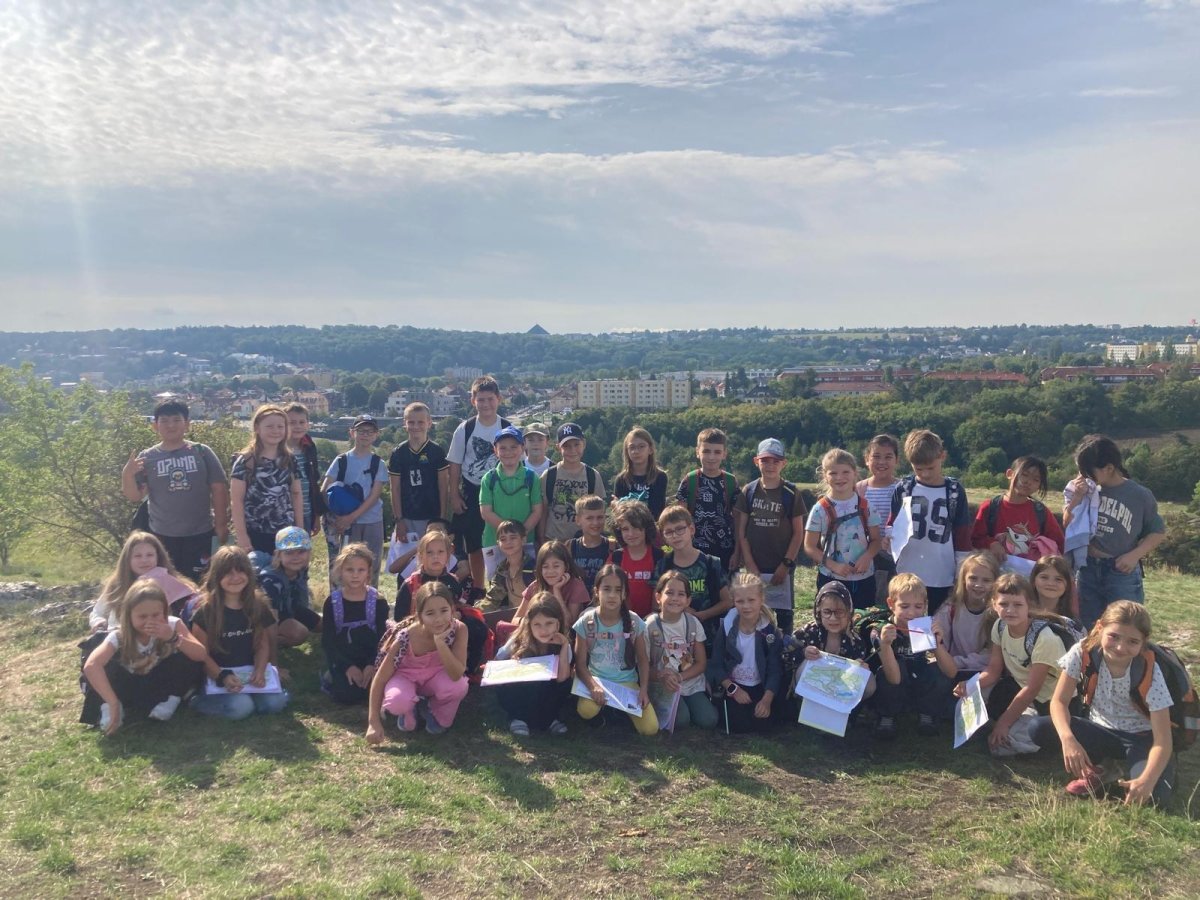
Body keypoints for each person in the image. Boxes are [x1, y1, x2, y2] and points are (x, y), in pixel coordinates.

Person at [1031, 601, 1176, 806]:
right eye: (1114, 636)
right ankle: (1103, 766)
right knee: (1037, 728)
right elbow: (1059, 702)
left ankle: (1140, 768)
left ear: (1143, 642)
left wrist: (1147, 780)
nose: (1120, 647)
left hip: (1140, 738)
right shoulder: (1083, 651)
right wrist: (1068, 739)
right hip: (1099, 730)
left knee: (1154, 798)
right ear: (1100, 628)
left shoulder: (1149, 671)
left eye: (1132, 641)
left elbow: (1163, 740)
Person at [1064, 434, 1166, 629]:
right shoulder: (1086, 491)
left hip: (1120, 571)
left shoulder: (1139, 495)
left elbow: (1157, 531)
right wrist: (1076, 499)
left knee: (1125, 626)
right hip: (1087, 568)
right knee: (1088, 628)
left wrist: (1134, 556)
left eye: (1088, 472)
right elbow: (1068, 524)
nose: (1083, 476)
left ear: (1109, 468)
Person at [80, 579, 208, 734]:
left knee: (187, 655)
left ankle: (171, 699)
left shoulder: (173, 624)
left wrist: (173, 637)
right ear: (129, 616)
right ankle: (109, 706)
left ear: (165, 611)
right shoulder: (119, 635)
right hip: (128, 685)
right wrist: (112, 702)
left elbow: (201, 655)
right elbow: (91, 666)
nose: (150, 621)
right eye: (142, 617)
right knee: (105, 665)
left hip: (158, 683)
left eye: (156, 615)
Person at [121, 399, 229, 580]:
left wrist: (221, 526)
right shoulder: (147, 457)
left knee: (201, 583)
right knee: (165, 584)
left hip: (200, 533)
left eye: (176, 420)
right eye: (164, 421)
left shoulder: (201, 452)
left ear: (187, 424)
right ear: (155, 426)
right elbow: (134, 496)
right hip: (161, 536)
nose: (170, 425)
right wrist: (127, 474)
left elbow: (219, 489)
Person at [963, 573, 1067, 756]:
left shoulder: (1045, 639)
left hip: (1047, 702)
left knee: (1002, 746)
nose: (1010, 610)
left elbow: (1032, 689)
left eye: (1018, 605)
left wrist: (1004, 723)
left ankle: (1034, 735)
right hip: (1018, 689)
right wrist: (969, 685)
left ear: (1029, 606)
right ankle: (1001, 726)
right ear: (994, 604)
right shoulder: (999, 626)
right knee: (969, 697)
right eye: (1004, 604)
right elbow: (993, 670)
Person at [188, 546, 289, 719]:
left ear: (249, 574)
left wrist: (260, 669)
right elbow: (201, 656)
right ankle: (197, 701)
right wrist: (222, 677)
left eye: (241, 571)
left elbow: (262, 644)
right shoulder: (205, 612)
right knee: (241, 707)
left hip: (247, 673)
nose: (235, 577)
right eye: (228, 573)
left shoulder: (258, 605)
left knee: (275, 703)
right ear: (216, 576)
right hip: (217, 674)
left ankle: (253, 697)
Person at [367, 582, 469, 740]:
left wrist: (440, 643)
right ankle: (409, 710)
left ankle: (433, 710)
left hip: (436, 678)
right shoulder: (405, 637)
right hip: (405, 678)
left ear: (452, 609)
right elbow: (380, 679)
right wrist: (373, 722)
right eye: (430, 613)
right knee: (397, 701)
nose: (438, 619)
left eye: (444, 611)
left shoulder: (459, 629)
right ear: (419, 615)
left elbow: (456, 674)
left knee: (459, 686)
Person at [888, 430, 972, 614]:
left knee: (936, 624)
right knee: (908, 619)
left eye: (930, 468)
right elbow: (893, 525)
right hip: (907, 573)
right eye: (919, 469)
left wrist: (961, 573)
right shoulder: (904, 488)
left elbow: (963, 535)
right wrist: (888, 540)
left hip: (942, 575)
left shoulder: (954, 491)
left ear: (942, 456)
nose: (925, 474)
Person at [868, 573, 956, 739]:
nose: (911, 613)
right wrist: (885, 645)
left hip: (917, 681)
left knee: (937, 669)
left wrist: (936, 644)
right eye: (904, 606)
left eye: (918, 606)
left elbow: (951, 672)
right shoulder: (881, 629)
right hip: (892, 683)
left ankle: (927, 712)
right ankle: (886, 715)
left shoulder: (925, 627)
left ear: (925, 605)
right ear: (891, 604)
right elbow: (893, 678)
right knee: (891, 669)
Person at [733, 438, 807, 633]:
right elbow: (742, 531)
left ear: (784, 463)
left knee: (784, 616)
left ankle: (784, 649)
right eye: (765, 460)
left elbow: (798, 533)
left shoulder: (791, 492)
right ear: (756, 461)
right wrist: (749, 564)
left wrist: (786, 564)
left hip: (782, 564)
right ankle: (758, 647)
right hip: (756, 565)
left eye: (776, 461)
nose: (770, 465)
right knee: (755, 612)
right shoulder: (749, 491)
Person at [574, 565, 658, 735]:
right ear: (596, 591)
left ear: (625, 593)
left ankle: (616, 711)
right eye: (606, 589)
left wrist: (643, 690)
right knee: (586, 710)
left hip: (626, 682)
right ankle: (606, 712)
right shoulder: (586, 621)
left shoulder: (634, 622)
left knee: (650, 729)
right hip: (598, 681)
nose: (612, 595)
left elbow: (643, 660)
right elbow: (580, 664)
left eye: (618, 590)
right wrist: (593, 686)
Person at [448, 376, 510, 587]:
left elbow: (518, 462)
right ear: (473, 401)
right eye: (481, 400)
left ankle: (502, 586)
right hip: (472, 490)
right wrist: (454, 495)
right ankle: (478, 588)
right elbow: (455, 464)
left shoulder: (507, 427)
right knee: (474, 543)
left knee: (502, 539)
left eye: (490, 399)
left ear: (498, 399)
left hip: (501, 492)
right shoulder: (465, 428)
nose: (486, 404)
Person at [805, 448, 881, 611]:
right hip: (831, 578)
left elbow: (876, 540)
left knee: (863, 622)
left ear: (855, 473)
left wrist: (867, 556)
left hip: (864, 579)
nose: (839, 477)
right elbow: (809, 546)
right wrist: (833, 565)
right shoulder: (820, 509)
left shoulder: (866, 507)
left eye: (845, 472)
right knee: (832, 621)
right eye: (833, 473)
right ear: (825, 476)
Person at [710, 573, 784, 734]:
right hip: (734, 685)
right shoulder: (727, 626)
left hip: (760, 686)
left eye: (751, 600)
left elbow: (774, 669)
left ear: (761, 599)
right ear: (733, 601)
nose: (746, 606)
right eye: (740, 601)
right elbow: (716, 664)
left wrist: (766, 700)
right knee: (738, 725)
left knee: (764, 723)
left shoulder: (770, 631)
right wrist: (733, 689)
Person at [652, 505, 731, 652]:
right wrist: (682, 608)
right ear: (663, 537)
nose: (675, 535)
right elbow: (656, 603)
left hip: (709, 640)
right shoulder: (663, 566)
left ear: (692, 529)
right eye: (669, 532)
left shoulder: (711, 563)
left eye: (680, 529)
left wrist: (703, 615)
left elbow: (727, 602)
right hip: (673, 641)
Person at [492, 594, 573, 736]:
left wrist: (565, 646)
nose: (543, 630)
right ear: (529, 624)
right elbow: (498, 660)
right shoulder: (518, 640)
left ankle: (549, 718)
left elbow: (562, 678)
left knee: (564, 683)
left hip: (546, 695)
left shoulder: (563, 644)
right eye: (537, 624)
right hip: (521, 693)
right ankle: (518, 718)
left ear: (558, 623)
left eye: (549, 623)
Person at [791, 581, 875, 718]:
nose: (833, 618)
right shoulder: (807, 633)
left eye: (839, 612)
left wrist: (860, 668)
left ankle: (847, 711)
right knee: (806, 663)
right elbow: (786, 654)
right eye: (827, 612)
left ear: (849, 612)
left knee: (869, 680)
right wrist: (803, 653)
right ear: (819, 612)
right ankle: (804, 708)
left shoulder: (855, 641)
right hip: (810, 688)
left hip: (839, 691)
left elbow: (854, 677)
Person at [646, 571, 718, 729]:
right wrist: (661, 676)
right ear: (658, 597)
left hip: (690, 682)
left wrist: (679, 677)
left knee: (709, 720)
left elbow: (701, 664)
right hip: (662, 685)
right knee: (681, 720)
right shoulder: (650, 626)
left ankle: (694, 702)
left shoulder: (693, 623)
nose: (675, 598)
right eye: (669, 593)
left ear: (688, 601)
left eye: (681, 594)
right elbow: (643, 667)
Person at [88, 531, 199, 632]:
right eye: (138, 556)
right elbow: (98, 612)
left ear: (158, 557)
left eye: (150, 555)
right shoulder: (117, 585)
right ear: (127, 559)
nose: (144, 560)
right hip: (116, 639)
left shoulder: (175, 585)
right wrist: (98, 623)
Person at [322, 414, 388, 585]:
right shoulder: (341, 461)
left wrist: (350, 517)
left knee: (371, 567)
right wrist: (338, 518)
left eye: (370, 431)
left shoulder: (378, 463)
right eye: (361, 431)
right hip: (346, 525)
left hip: (371, 521)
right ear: (352, 433)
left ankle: (370, 599)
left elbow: (374, 496)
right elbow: (325, 490)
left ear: (376, 435)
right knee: (347, 567)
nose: (365, 435)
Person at [230, 404, 303, 557]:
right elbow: (236, 501)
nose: (275, 431)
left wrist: (300, 530)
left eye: (280, 426)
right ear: (257, 428)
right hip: (254, 532)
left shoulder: (290, 460)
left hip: (285, 532)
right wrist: (242, 536)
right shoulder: (246, 461)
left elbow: (296, 494)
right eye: (269, 426)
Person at [320, 543, 389, 704]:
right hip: (345, 659)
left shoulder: (378, 601)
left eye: (361, 570)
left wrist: (371, 665)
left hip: (371, 658)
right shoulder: (332, 602)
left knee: (374, 692)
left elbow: (384, 639)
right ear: (340, 571)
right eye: (350, 570)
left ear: (368, 572)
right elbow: (328, 641)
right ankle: (332, 676)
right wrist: (347, 667)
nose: (355, 575)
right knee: (346, 696)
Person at [971, 456, 1064, 563]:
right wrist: (991, 543)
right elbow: (975, 539)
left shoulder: (1041, 512)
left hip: (1030, 572)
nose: (1028, 482)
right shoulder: (990, 507)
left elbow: (1059, 545)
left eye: (1036, 480)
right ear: (1009, 474)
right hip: (996, 570)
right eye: (1024, 475)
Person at [676, 427, 738, 573]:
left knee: (725, 588)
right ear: (697, 452)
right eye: (706, 451)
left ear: (724, 454)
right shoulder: (690, 480)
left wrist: (738, 552)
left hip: (725, 550)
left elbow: (738, 521)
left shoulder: (730, 482)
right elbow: (680, 518)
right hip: (695, 551)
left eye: (717, 452)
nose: (711, 457)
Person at [932, 551, 999, 681]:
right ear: (963, 579)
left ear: (995, 583)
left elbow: (990, 655)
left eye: (986, 580)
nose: (978, 585)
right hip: (950, 671)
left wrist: (959, 662)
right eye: (973, 578)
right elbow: (939, 642)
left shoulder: (997, 614)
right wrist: (949, 661)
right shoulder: (950, 609)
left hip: (983, 674)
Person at [387, 401, 449, 541]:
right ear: (405, 423)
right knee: (408, 555)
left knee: (432, 553)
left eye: (420, 422)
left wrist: (442, 518)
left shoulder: (437, 451)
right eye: (411, 422)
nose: (415, 426)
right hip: (407, 517)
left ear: (429, 423)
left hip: (432, 517)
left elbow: (443, 487)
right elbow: (395, 488)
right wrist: (399, 519)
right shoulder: (398, 453)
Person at [257, 526, 321, 654]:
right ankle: (257, 645)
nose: (296, 557)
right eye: (289, 552)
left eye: (301, 551)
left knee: (322, 625)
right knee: (299, 633)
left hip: (288, 607)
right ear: (278, 555)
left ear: (309, 553)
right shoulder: (272, 581)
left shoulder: (301, 569)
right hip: (265, 618)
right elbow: (270, 619)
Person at [540, 422, 605, 544]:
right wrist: (541, 541)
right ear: (558, 447)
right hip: (554, 542)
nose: (572, 450)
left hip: (584, 544)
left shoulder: (592, 475)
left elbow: (599, 512)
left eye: (576, 444)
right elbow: (543, 511)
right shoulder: (549, 475)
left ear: (584, 444)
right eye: (567, 446)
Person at [479, 425, 542, 550]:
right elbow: (486, 512)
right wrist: (509, 535)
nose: (508, 452)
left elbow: (537, 511)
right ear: (495, 450)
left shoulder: (531, 477)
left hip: (524, 542)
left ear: (522, 448)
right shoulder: (488, 479)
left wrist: (520, 534)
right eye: (503, 448)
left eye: (514, 447)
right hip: (495, 543)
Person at [856, 434, 902, 604]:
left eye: (888, 457)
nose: (882, 462)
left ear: (897, 461)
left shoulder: (902, 489)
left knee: (891, 602)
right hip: (865, 556)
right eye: (876, 456)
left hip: (894, 558)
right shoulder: (859, 489)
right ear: (866, 459)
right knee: (866, 602)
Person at [511, 541, 592, 630]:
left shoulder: (576, 586)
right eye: (545, 567)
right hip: (537, 635)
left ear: (566, 566)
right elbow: (515, 619)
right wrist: (531, 622)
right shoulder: (535, 586)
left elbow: (569, 624)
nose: (550, 571)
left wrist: (557, 591)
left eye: (556, 566)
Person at [610, 500, 663, 618]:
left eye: (636, 527)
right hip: (622, 619)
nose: (631, 533)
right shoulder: (616, 558)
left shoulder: (659, 557)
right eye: (625, 529)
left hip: (653, 620)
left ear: (646, 528)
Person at [395, 531, 463, 619]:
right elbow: (399, 618)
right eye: (429, 552)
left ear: (448, 555)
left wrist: (458, 614)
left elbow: (462, 607)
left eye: (440, 552)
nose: (435, 556)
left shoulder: (453, 581)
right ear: (420, 556)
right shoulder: (410, 584)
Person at [285, 402, 326, 536]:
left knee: (302, 548)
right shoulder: (277, 449)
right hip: (283, 514)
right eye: (292, 422)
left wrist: (316, 515)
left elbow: (314, 482)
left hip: (306, 512)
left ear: (308, 424)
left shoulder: (309, 447)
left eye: (302, 422)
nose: (297, 426)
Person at [479, 520, 536, 612]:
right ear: (498, 543)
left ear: (523, 540)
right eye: (503, 539)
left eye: (513, 538)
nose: (508, 542)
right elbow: (493, 599)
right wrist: (474, 612)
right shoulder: (502, 569)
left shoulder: (533, 568)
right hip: (512, 616)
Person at [612, 427, 668, 519]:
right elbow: (619, 514)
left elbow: (657, 510)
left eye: (641, 446)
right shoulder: (621, 479)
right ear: (627, 451)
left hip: (652, 525)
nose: (636, 451)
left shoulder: (660, 477)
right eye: (632, 447)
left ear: (650, 449)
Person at [569, 495, 612, 593]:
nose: (595, 523)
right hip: (577, 601)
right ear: (578, 520)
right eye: (589, 518)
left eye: (600, 517)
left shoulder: (612, 547)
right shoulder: (570, 547)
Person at [1031, 555, 1082, 623]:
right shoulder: (1023, 616)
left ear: (1067, 585)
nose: (1050, 583)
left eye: (1058, 579)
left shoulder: (1073, 623)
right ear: (1034, 581)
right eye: (1044, 577)